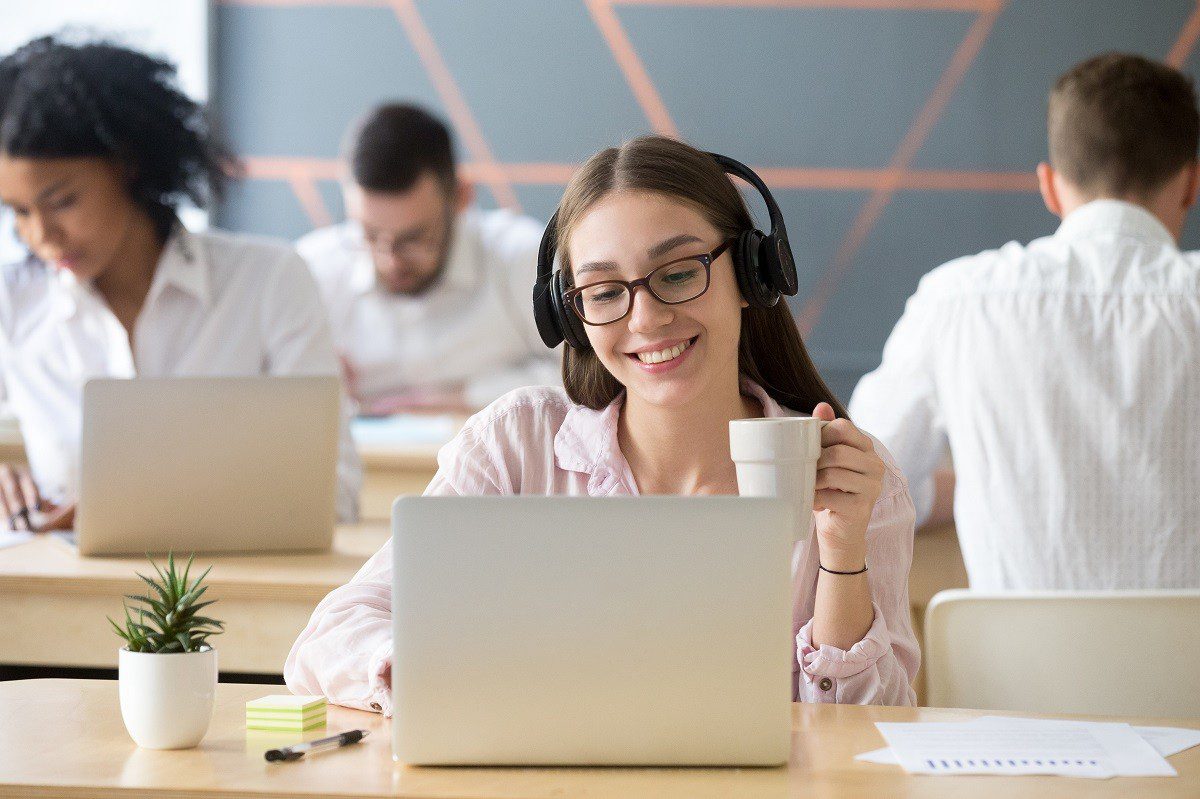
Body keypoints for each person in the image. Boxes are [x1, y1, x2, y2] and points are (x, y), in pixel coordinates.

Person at [286, 136, 919, 712]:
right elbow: (334, 633)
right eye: (605, 291)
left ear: (753, 274)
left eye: (677, 274)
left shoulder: (855, 482)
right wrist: (439, 680)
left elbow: (869, 733)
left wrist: (841, 554)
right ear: (573, 316)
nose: (644, 320)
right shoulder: (515, 450)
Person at [849, 53, 1200, 590]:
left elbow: (863, 487)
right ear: (1190, 183)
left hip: (1014, 673)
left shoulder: (956, 301)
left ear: (1050, 185)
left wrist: (989, 480)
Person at [0, 36, 361, 531]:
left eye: (62, 202)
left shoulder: (268, 282)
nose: (40, 236)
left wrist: (150, 514)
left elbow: (335, 495)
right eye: (18, 212)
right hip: (67, 592)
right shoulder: (14, 303)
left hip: (236, 597)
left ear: (127, 164)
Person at [296, 104, 558, 414]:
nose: (389, 260)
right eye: (368, 235)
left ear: (461, 197)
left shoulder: (524, 259)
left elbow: (591, 374)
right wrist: (310, 382)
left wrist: (471, 396)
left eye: (413, 239)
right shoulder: (312, 269)